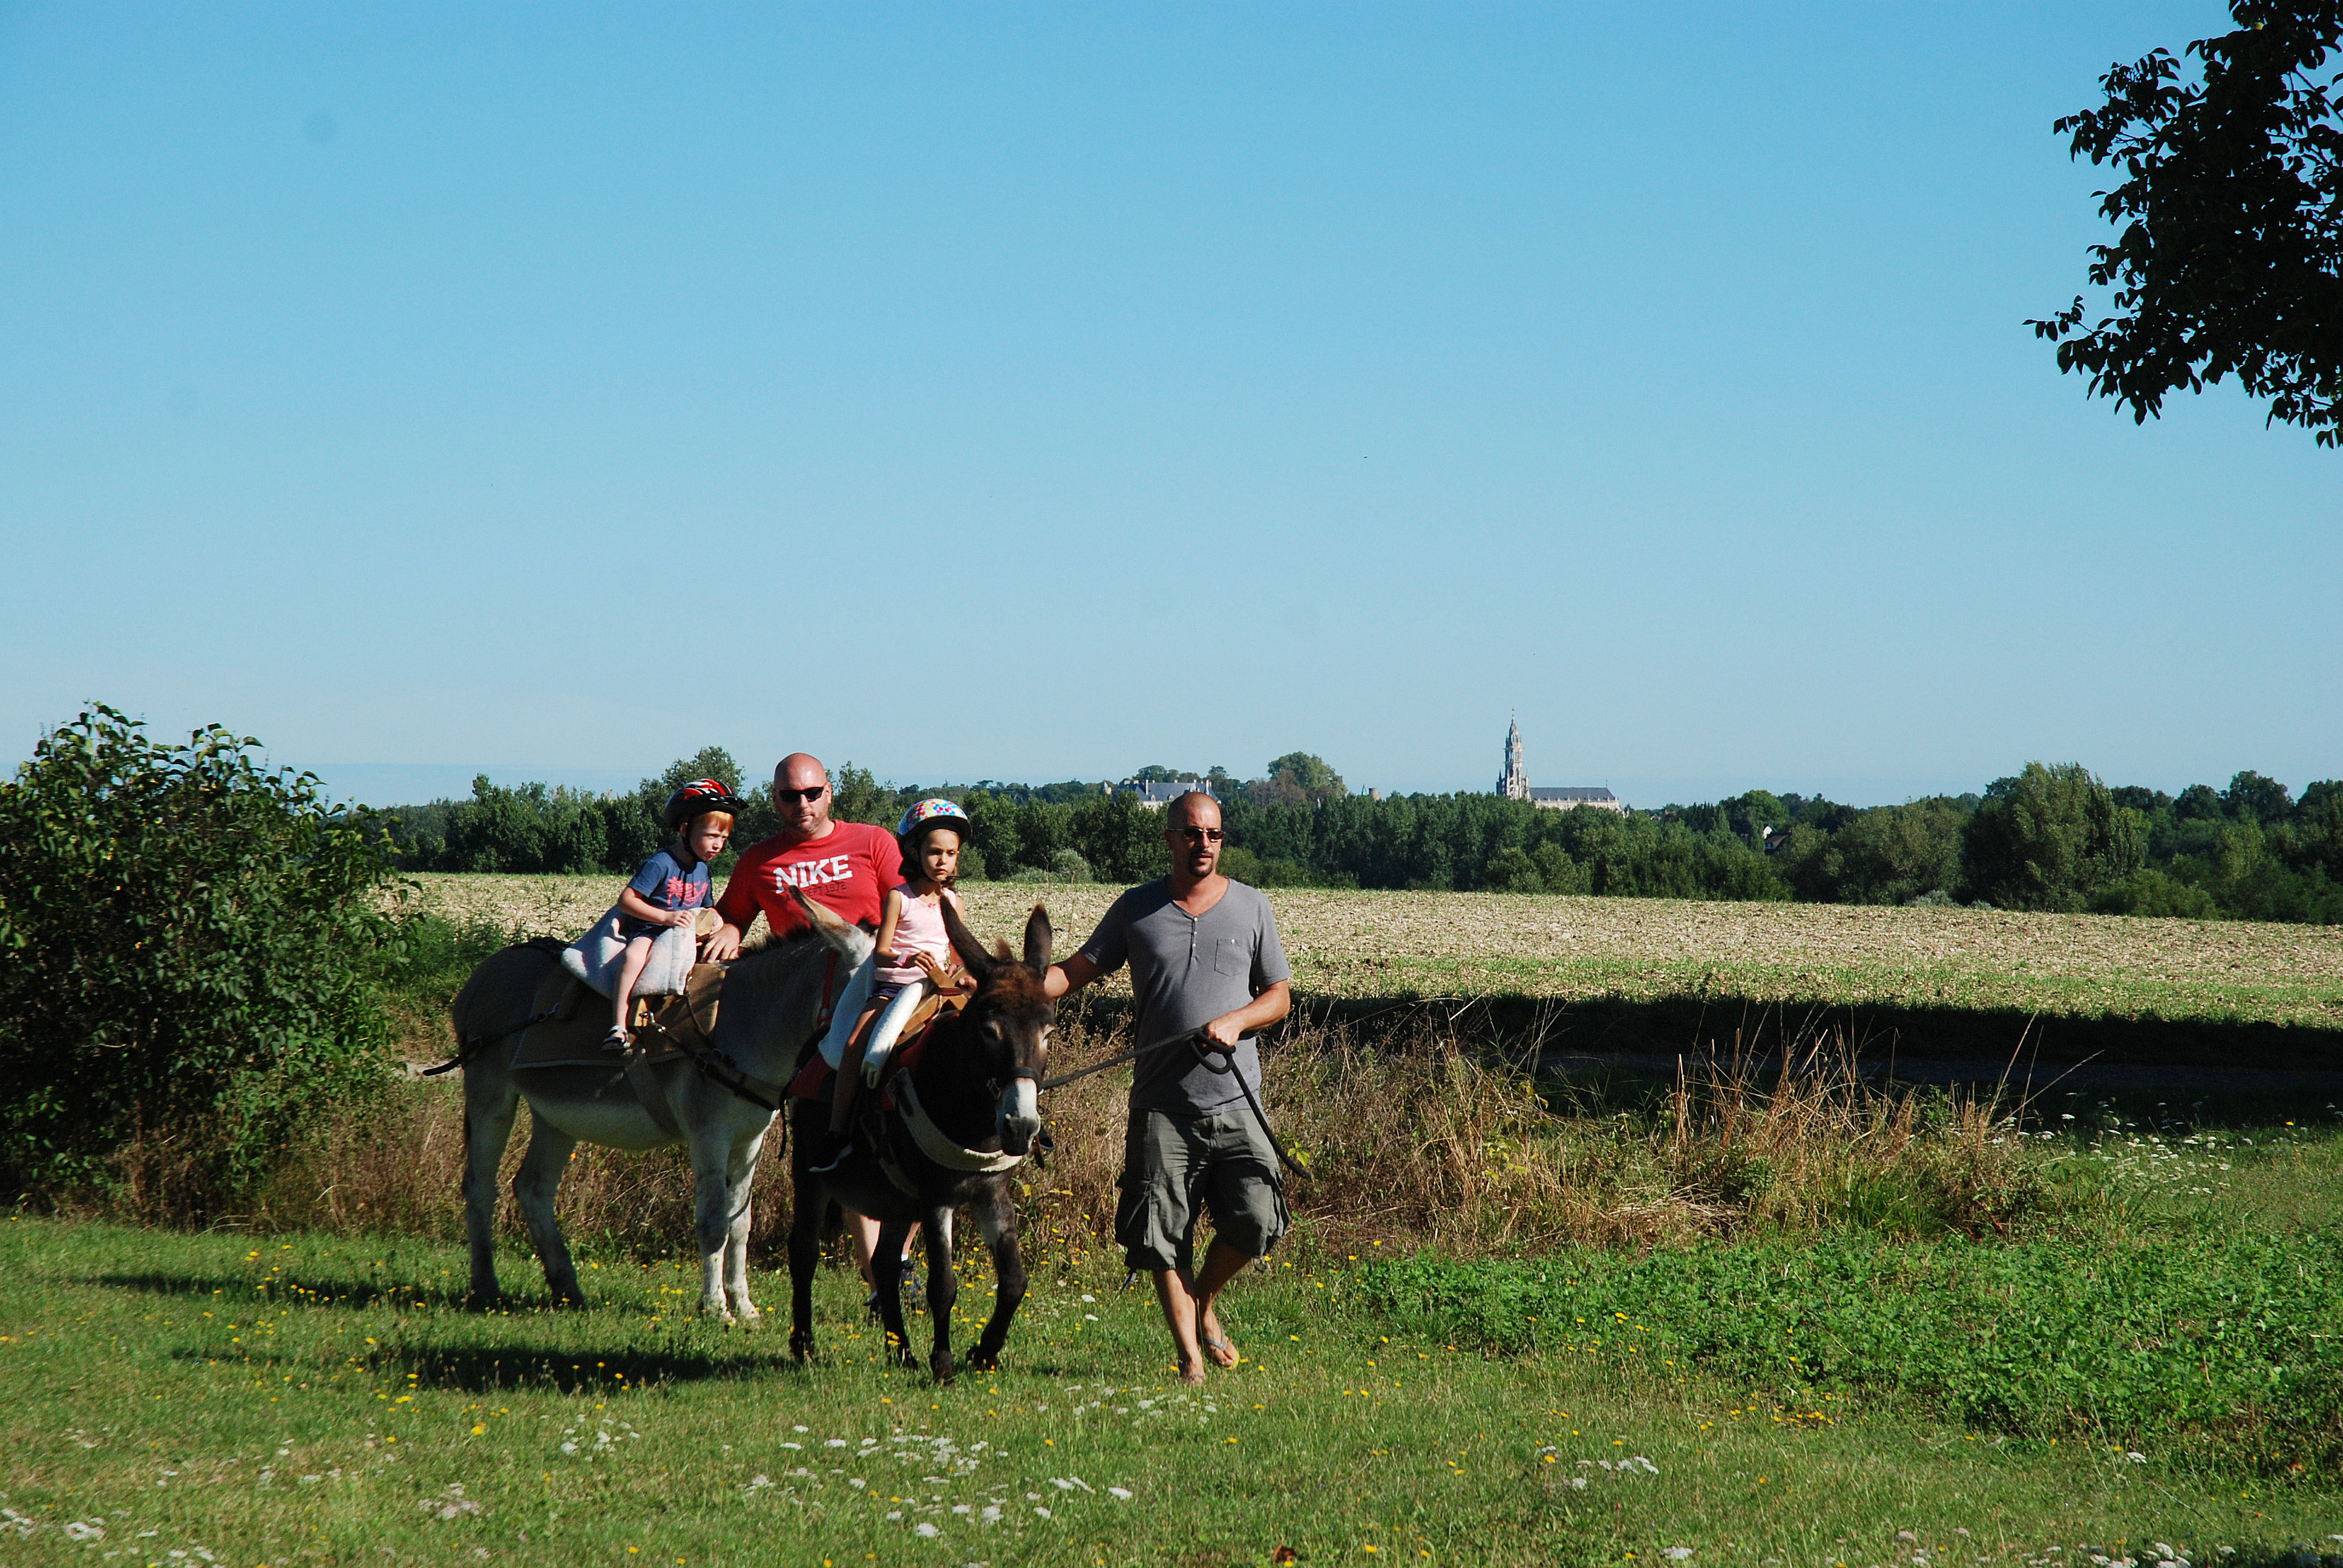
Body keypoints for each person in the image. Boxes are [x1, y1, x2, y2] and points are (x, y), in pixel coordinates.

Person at [1043, 789, 1293, 1384]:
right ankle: (1189, 1363)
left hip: (1238, 1101)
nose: (1203, 843)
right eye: (1191, 833)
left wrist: (1236, 1021)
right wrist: (1006, 985)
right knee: (1160, 1237)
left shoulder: (1252, 906)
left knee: (1258, 1217)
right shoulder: (1136, 908)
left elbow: (1279, 997)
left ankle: (1203, 1303)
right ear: (1170, 839)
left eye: (1213, 834)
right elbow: (1073, 972)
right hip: (1162, 1106)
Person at [701, 753, 907, 1284]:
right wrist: (730, 929)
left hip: (883, 997)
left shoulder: (873, 843)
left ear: (829, 792)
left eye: (812, 793)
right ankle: (881, 1277)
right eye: (790, 796)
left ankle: (897, 1261)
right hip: (810, 1023)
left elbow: (910, 903)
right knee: (842, 1138)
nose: (803, 804)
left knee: (906, 1127)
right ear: (775, 800)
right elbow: (733, 916)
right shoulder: (760, 860)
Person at [820, 799, 977, 1161]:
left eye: (951, 853)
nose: (943, 861)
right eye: (934, 852)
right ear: (914, 852)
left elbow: (959, 956)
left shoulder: (953, 902)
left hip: (939, 989)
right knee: (855, 1042)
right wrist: (907, 959)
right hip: (894, 988)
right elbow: (881, 952)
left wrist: (966, 977)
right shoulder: (899, 898)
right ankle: (836, 1131)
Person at [601, 779, 739, 1051]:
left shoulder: (702, 870)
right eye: (712, 836)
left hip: (686, 936)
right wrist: (665, 918)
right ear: (686, 829)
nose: (718, 845)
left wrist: (716, 920)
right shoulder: (660, 864)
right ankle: (618, 1026)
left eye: (723, 838)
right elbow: (627, 901)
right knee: (633, 958)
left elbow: (707, 907)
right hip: (652, 931)